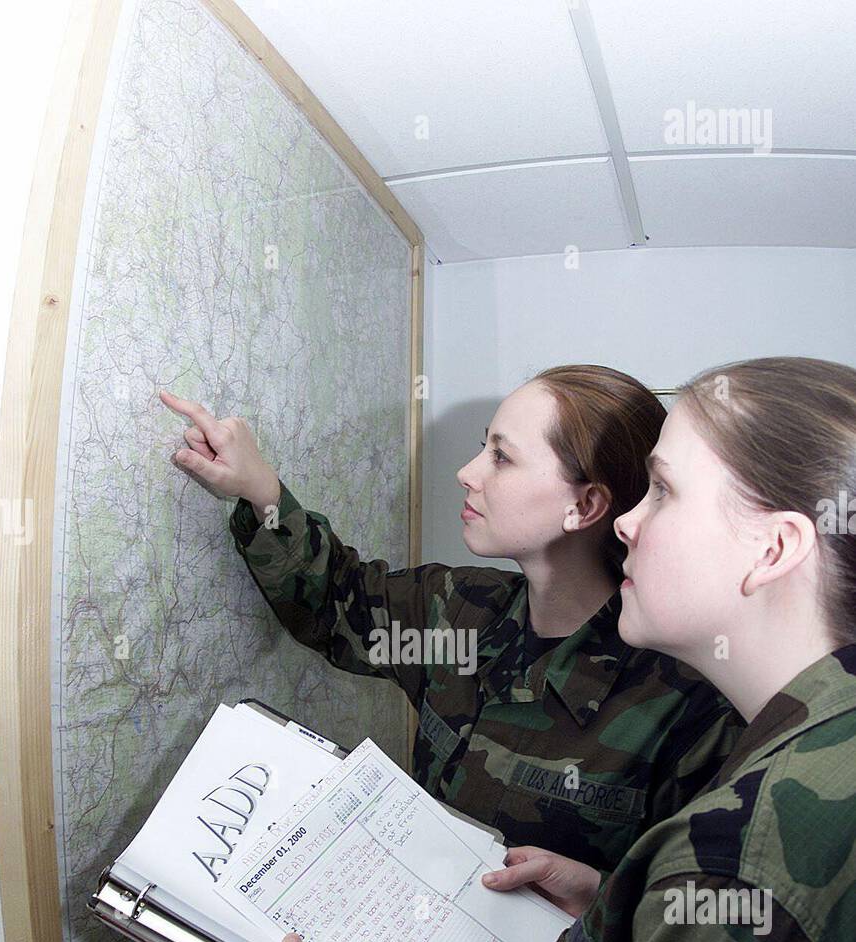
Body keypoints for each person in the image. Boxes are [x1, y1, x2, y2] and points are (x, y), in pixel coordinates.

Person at [202, 356, 856, 942]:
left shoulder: (733, 805)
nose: (636, 521)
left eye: (664, 493)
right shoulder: (464, 617)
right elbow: (337, 594)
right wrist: (616, 902)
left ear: (775, 548)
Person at [160, 366, 742, 876]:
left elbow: (691, 912)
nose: (468, 472)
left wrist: (600, 898)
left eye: (501, 457)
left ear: (585, 506)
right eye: (481, 447)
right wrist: (259, 489)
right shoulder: (459, 607)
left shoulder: (686, 703)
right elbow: (332, 599)